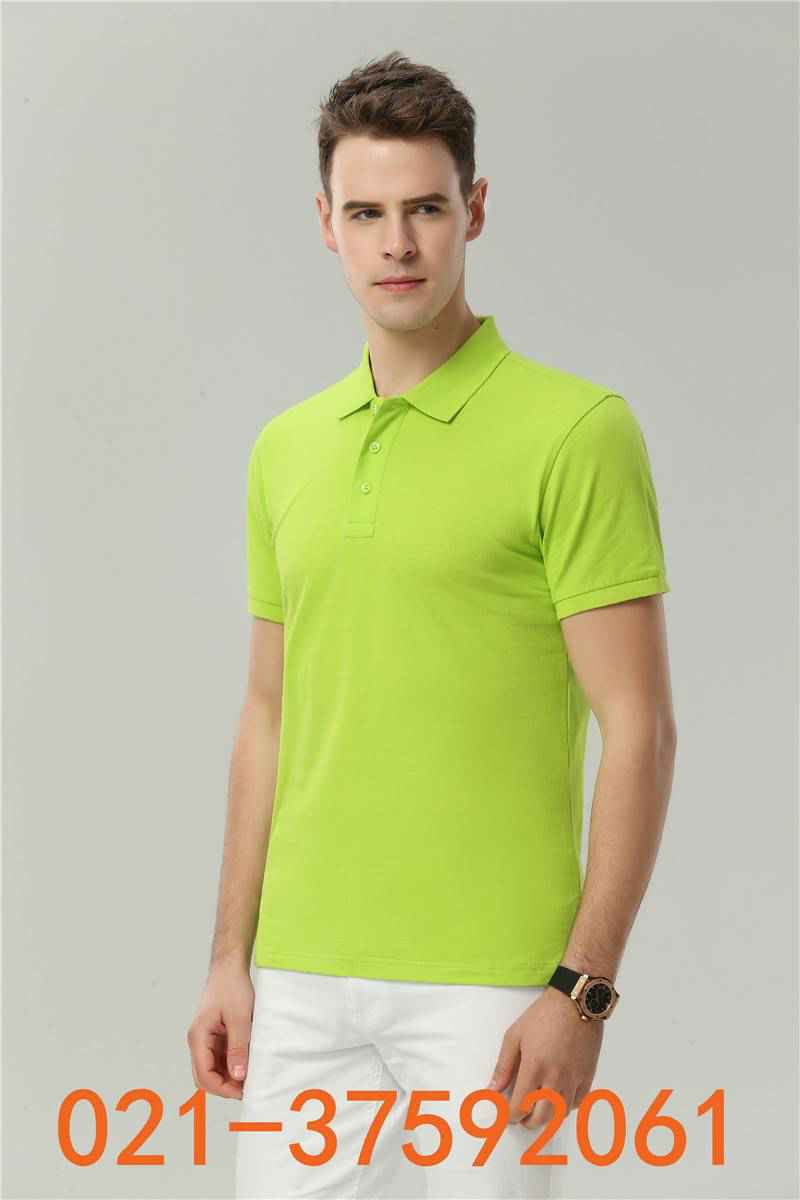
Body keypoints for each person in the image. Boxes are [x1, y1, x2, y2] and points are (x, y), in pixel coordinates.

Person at [187, 50, 678, 1200]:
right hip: (300, 977)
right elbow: (266, 714)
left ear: (475, 210)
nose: (396, 244)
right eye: (365, 213)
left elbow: (639, 729)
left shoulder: (575, 432)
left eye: (425, 209)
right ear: (325, 223)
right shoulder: (284, 450)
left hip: (489, 984)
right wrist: (229, 959)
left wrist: (579, 992)